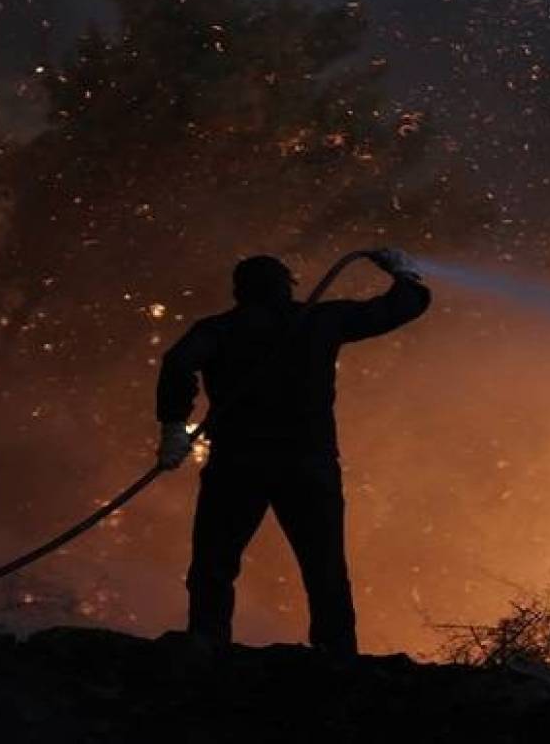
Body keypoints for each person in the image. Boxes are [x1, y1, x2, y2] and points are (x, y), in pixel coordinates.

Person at [154, 248, 430, 657]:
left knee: (214, 563)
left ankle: (207, 644)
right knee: (325, 568)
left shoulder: (219, 329)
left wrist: (174, 425)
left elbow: (178, 363)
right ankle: (336, 655)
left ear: (239, 291)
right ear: (286, 286)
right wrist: (402, 271)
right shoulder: (320, 320)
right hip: (308, 463)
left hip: (238, 463)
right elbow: (402, 307)